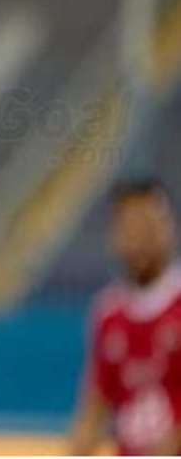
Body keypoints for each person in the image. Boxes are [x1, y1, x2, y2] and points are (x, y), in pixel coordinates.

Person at [69, 179, 181, 455]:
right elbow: (95, 407)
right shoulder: (108, 312)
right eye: (129, 228)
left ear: (168, 229)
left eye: (147, 226)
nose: (138, 240)